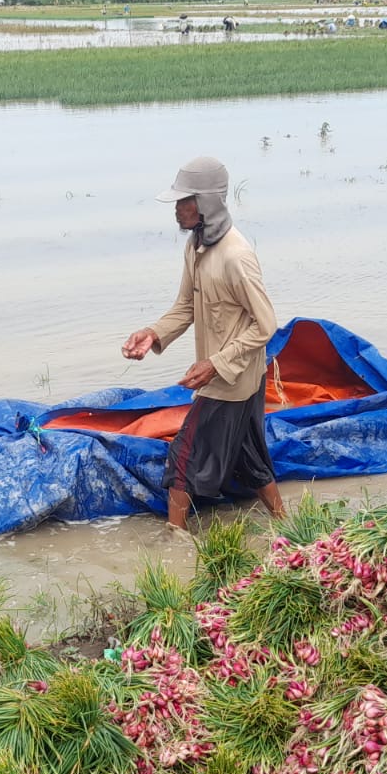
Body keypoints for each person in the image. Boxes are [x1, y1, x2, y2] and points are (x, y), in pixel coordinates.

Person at [120, 157, 286, 533]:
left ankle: (174, 540)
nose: (177, 210)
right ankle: (287, 526)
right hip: (234, 375)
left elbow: (266, 323)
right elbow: (185, 306)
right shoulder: (197, 247)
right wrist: (154, 334)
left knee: (183, 456)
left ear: (207, 202)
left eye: (184, 201)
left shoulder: (235, 255)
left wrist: (215, 364)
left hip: (229, 378)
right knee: (249, 454)